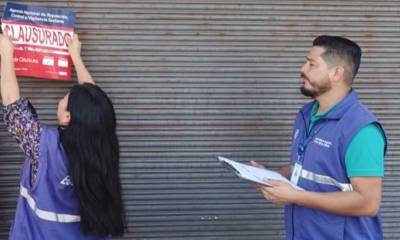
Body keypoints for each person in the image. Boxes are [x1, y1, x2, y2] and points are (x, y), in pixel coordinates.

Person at [252, 35, 387, 239]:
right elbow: (315, 167)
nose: (302, 69)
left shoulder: (361, 130)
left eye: (312, 64)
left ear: (336, 73)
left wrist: (297, 196)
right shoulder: (306, 115)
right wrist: (272, 176)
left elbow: (368, 203)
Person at [0, 32, 125, 239]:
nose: (61, 99)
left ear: (67, 116)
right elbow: (93, 105)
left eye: (64, 98)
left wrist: (6, 52)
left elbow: (12, 103)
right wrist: (75, 56)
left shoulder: (43, 146)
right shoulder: (104, 145)